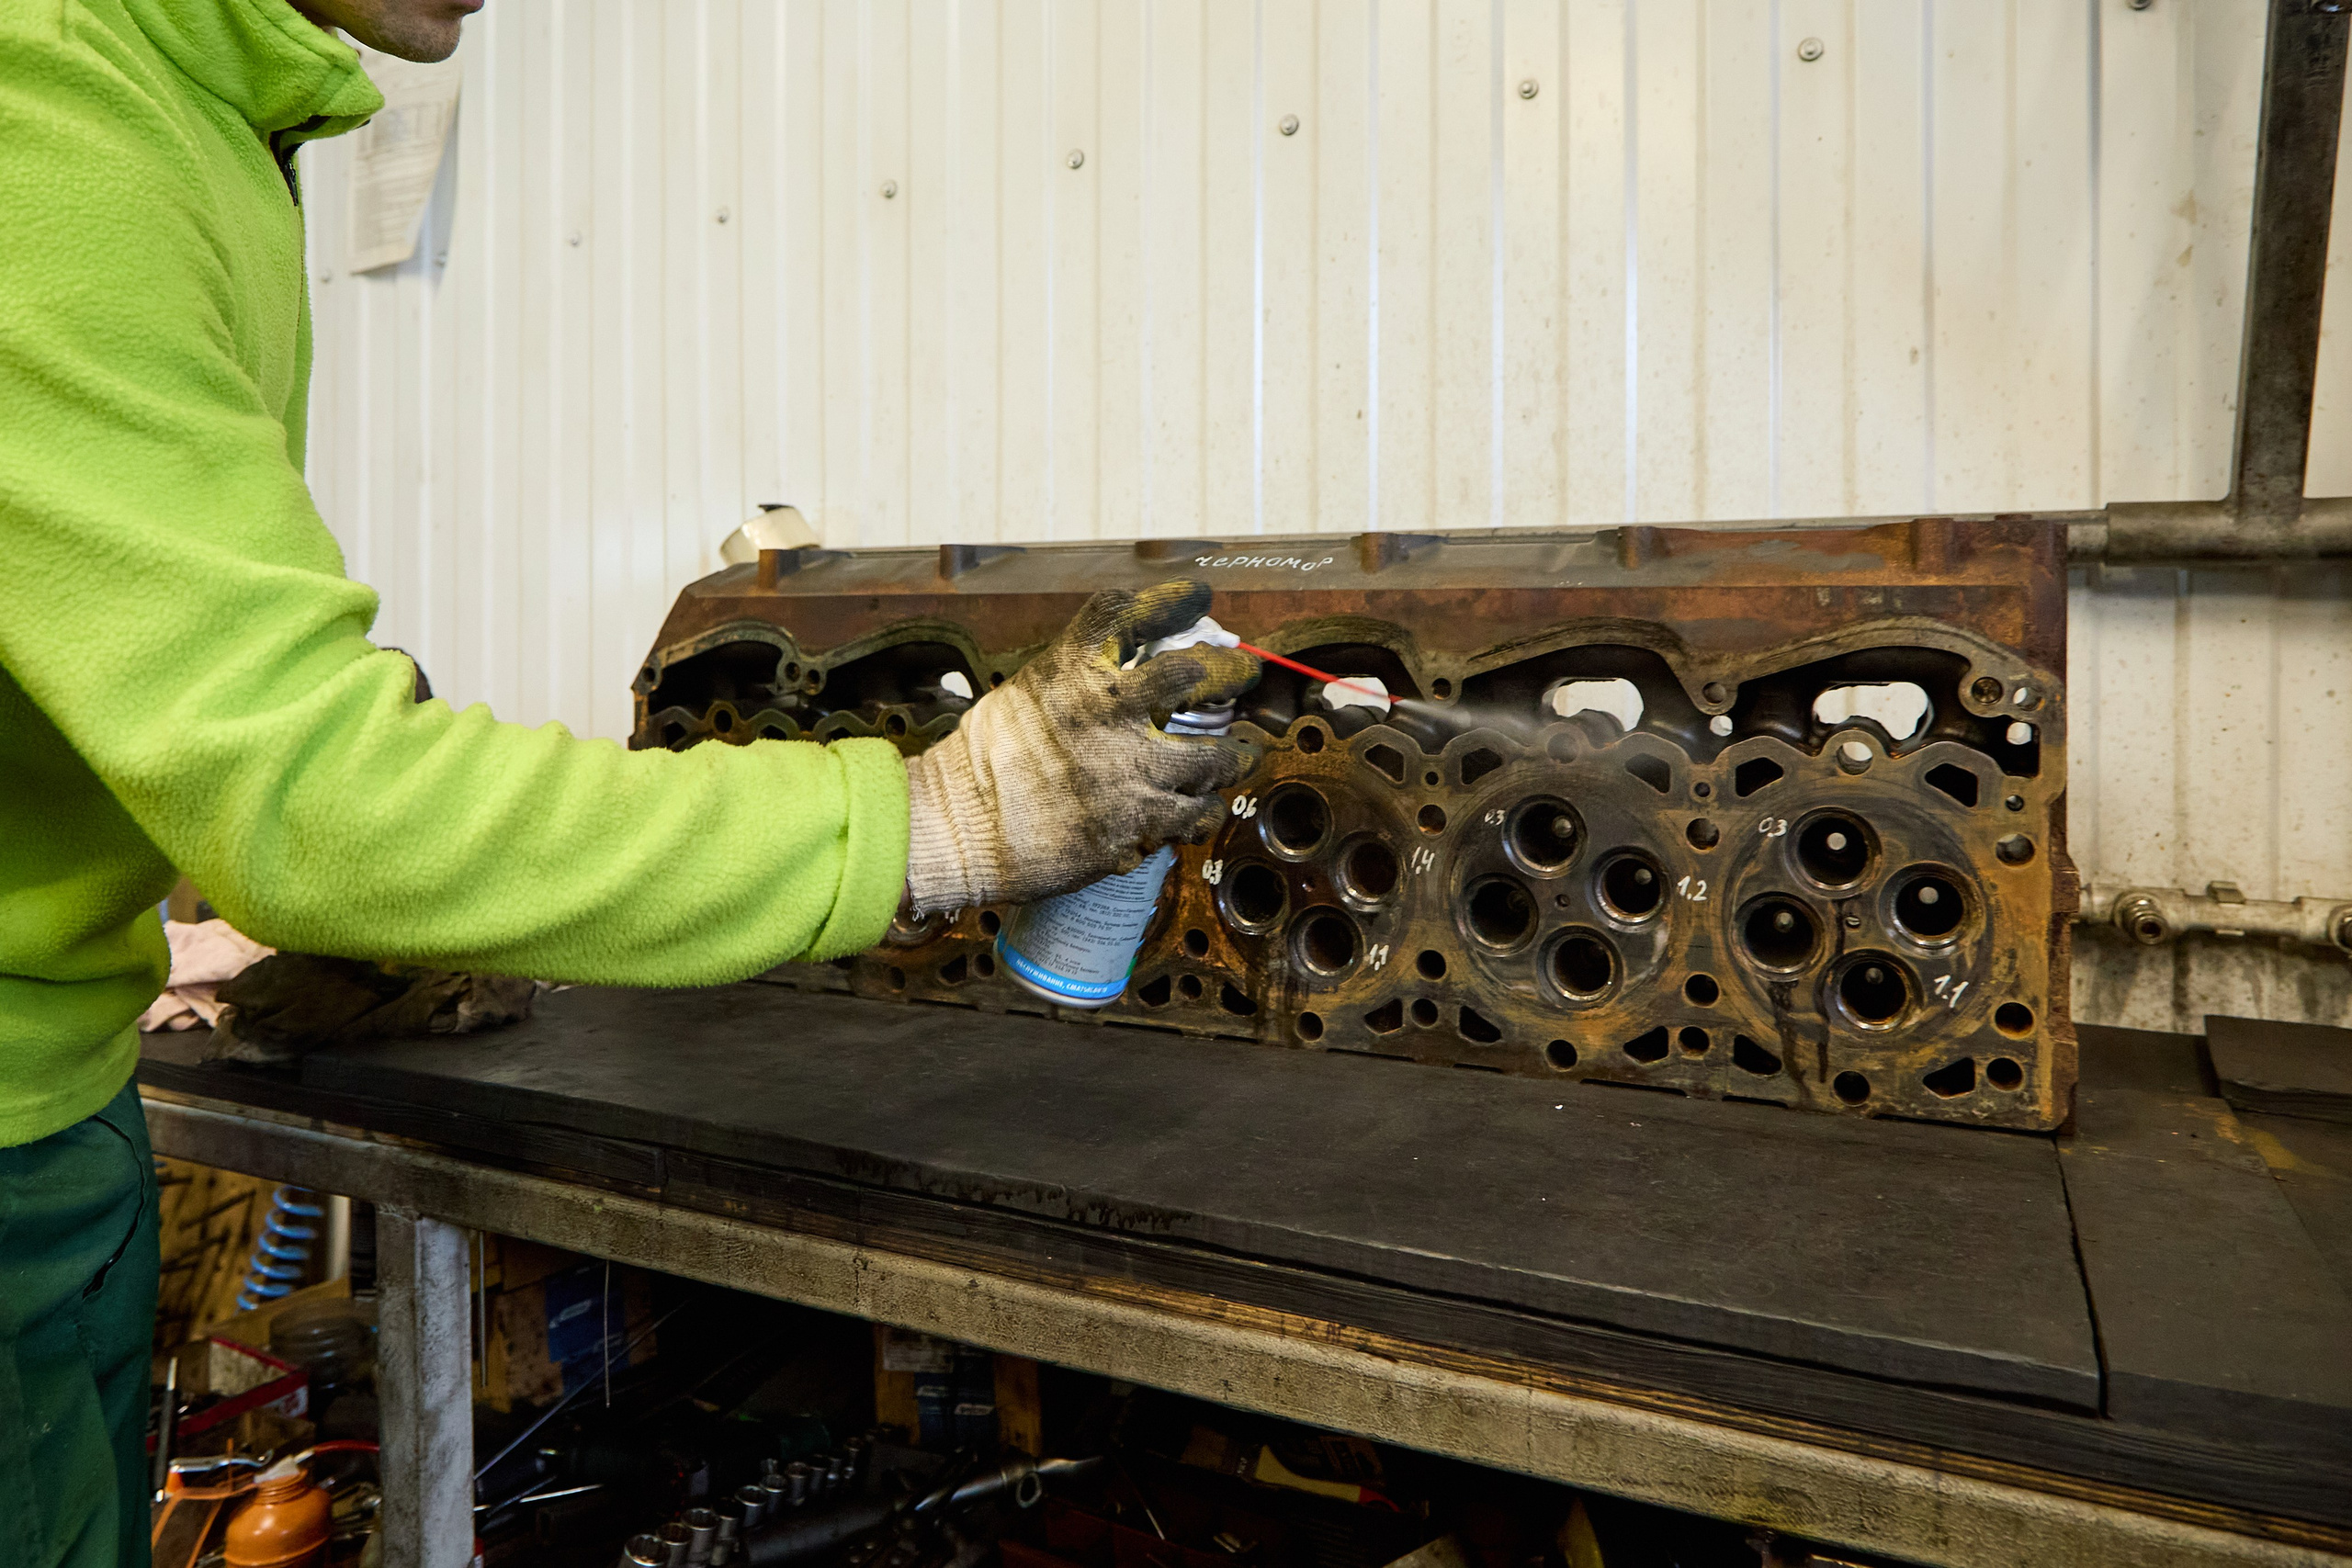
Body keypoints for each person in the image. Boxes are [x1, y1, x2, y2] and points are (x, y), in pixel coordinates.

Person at [0, 0, 1258, 1562]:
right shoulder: (48, 113)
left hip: (58, 1109)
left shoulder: (200, 113)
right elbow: (312, 807)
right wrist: (944, 820)